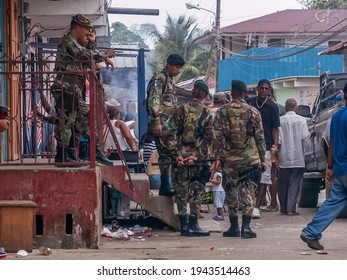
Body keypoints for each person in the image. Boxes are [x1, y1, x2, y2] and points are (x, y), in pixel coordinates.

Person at [51, 14, 114, 165]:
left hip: (74, 90)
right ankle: (63, 155)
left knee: (83, 120)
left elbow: (88, 60)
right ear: (77, 27)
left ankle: (81, 153)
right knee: (66, 122)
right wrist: (105, 57)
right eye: (86, 30)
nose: (88, 33)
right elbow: (84, 55)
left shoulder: (76, 43)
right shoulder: (68, 41)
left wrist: (92, 44)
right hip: (65, 87)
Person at [213, 80, 266, 239]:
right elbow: (260, 137)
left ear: (232, 92)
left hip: (229, 160)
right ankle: (246, 228)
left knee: (231, 192)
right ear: (244, 93)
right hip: (249, 159)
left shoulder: (222, 111)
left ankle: (234, 227)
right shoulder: (253, 112)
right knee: (248, 192)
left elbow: (217, 137)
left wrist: (218, 158)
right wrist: (263, 158)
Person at [300, 84, 347, 251]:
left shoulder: (337, 115)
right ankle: (311, 232)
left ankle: (311, 232)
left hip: (340, 169)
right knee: (334, 202)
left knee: (333, 202)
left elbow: (331, 143)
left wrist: (330, 166)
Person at [172, 80, 213, 237]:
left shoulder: (179, 110)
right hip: (198, 160)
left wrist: (178, 155)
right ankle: (194, 225)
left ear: (194, 90)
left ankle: (184, 227)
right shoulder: (207, 114)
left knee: (181, 193)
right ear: (204, 94)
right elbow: (208, 137)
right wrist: (196, 156)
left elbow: (172, 135)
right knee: (196, 192)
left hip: (180, 159)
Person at [146, 53, 185, 196]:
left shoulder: (169, 80)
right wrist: (156, 121)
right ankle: (165, 185)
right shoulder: (159, 79)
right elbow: (153, 100)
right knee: (166, 154)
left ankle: (167, 185)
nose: (178, 70)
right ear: (169, 65)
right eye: (177, 67)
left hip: (169, 125)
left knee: (168, 154)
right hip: (162, 124)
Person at [247, 79, 280, 219]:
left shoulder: (272, 107)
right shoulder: (249, 103)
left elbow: (275, 129)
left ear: (269, 90)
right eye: (262, 88)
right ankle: (248, 203)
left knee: (265, 177)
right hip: (249, 146)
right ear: (257, 89)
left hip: (267, 147)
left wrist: (275, 148)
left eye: (266, 89)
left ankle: (256, 207)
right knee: (249, 175)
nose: (264, 91)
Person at [277, 98, 312, 216]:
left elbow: (279, 140)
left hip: (283, 157)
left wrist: (276, 157)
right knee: (295, 184)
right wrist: (312, 134)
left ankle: (283, 207)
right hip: (298, 158)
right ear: (296, 108)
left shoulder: (280, 120)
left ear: (286, 108)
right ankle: (291, 209)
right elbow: (305, 137)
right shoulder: (301, 120)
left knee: (283, 183)